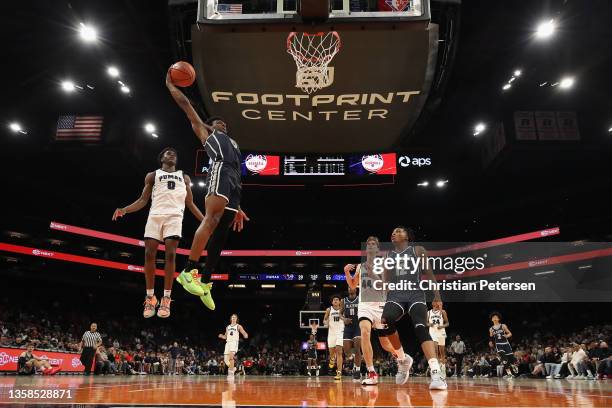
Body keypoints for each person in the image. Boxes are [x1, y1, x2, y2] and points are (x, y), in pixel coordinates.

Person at [166, 69, 249, 311]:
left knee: (222, 233)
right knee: (212, 219)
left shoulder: (232, 143)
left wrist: (239, 206)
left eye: (224, 123)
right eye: (217, 122)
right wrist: (172, 87)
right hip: (220, 172)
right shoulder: (207, 133)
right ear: (210, 126)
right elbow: (188, 109)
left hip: (235, 182)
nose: (222, 123)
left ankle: (205, 281)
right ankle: (188, 270)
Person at [113, 148, 203, 318]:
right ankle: (150, 297)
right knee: (148, 254)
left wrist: (205, 221)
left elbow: (190, 203)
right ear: (161, 158)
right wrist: (124, 210)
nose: (172, 154)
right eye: (168, 153)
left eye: (174, 153)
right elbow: (142, 200)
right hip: (155, 215)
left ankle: (166, 299)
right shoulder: (152, 175)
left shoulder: (184, 177)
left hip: (174, 216)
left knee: (170, 255)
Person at [380, 226, 446, 390]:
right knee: (386, 320)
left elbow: (429, 273)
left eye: (399, 231)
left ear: (407, 236)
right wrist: (386, 300)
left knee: (421, 328)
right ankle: (403, 360)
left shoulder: (417, 250)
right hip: (396, 295)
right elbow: (386, 280)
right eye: (393, 231)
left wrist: (436, 296)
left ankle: (436, 373)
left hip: (415, 294)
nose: (394, 233)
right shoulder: (388, 255)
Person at [344, 236, 410, 386]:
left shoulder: (384, 265)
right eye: (368, 245)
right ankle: (371, 372)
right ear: (366, 249)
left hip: (380, 306)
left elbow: (386, 286)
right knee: (365, 332)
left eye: (374, 244)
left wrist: (373, 273)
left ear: (378, 249)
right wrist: (347, 272)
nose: (371, 246)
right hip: (365, 306)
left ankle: (402, 358)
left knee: (385, 344)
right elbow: (353, 286)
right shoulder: (361, 266)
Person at [324, 295, 349, 380]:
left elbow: (346, 319)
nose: (335, 301)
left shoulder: (343, 310)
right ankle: (332, 359)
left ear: (339, 302)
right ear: (332, 302)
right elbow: (325, 320)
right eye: (334, 300)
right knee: (332, 353)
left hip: (340, 332)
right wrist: (326, 323)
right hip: (331, 333)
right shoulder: (329, 310)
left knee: (339, 351)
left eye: (337, 300)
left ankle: (339, 373)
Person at [342, 286, 362, 381]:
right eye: (348, 287)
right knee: (347, 351)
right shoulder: (344, 300)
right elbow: (340, 313)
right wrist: (343, 319)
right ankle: (353, 357)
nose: (350, 288)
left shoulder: (360, 299)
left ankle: (357, 370)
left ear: (356, 290)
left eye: (352, 287)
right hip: (348, 327)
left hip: (357, 326)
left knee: (357, 348)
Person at [488, 311, 516, 378]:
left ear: (498, 319)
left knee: (511, 359)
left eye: (496, 317)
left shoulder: (503, 325)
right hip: (499, 345)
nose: (494, 318)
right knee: (504, 359)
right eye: (493, 317)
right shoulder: (491, 329)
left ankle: (513, 367)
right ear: (492, 319)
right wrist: (490, 342)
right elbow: (491, 337)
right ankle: (509, 374)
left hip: (506, 344)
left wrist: (507, 336)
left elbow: (510, 333)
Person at [427, 300, 449, 378]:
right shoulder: (429, 312)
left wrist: (442, 326)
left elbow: (447, 323)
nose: (436, 303)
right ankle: (437, 370)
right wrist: (430, 324)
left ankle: (443, 369)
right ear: (432, 304)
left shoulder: (442, 312)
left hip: (441, 332)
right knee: (435, 351)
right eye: (435, 302)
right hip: (433, 332)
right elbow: (425, 323)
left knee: (442, 352)